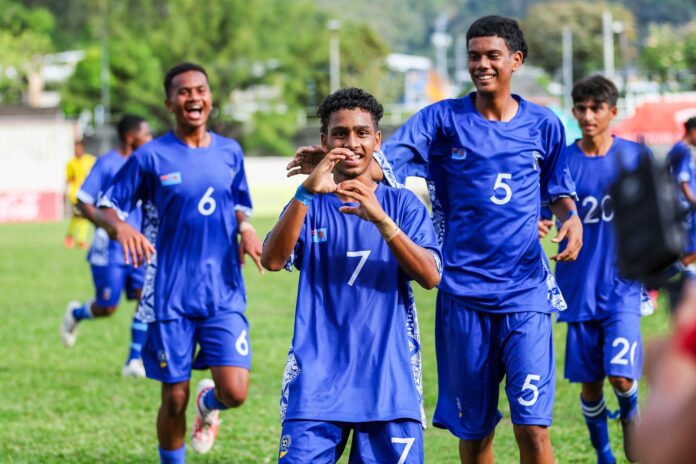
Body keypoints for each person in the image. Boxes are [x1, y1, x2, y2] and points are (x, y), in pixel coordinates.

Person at [289, 15, 582, 464]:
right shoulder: (441, 120)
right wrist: (336, 160)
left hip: (526, 292)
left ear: (516, 61)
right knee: (476, 430)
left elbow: (558, 188)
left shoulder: (545, 125)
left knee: (534, 427)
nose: (481, 64)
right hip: (461, 294)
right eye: (474, 56)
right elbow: (385, 164)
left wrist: (572, 217)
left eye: (492, 56)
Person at [94, 62, 263, 464]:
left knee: (235, 392)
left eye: (200, 90)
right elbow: (105, 206)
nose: (193, 97)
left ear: (210, 98)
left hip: (223, 287)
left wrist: (248, 228)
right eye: (184, 92)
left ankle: (210, 404)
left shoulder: (230, 151)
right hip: (169, 291)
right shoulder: (151, 156)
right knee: (173, 396)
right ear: (170, 103)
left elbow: (240, 202)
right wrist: (121, 229)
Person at [263, 88, 442, 463]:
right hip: (315, 387)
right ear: (325, 141)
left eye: (362, 133)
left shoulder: (401, 204)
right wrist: (305, 192)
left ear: (377, 140)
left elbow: (430, 276)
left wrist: (380, 219)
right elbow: (273, 259)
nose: (351, 142)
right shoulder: (308, 203)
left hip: (388, 388)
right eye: (340, 134)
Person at [542, 75, 646, 464]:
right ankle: (604, 454)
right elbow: (543, 209)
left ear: (612, 112)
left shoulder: (635, 157)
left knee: (621, 375)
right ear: (573, 111)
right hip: (577, 287)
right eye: (581, 108)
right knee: (590, 384)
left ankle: (631, 418)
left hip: (622, 287)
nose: (588, 115)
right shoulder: (563, 160)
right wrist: (540, 222)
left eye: (596, 108)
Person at [60, 114, 153, 378]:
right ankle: (77, 313)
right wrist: (110, 227)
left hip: (140, 246)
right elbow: (83, 201)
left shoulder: (148, 163)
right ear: (130, 137)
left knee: (143, 299)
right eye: (145, 134)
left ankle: (134, 361)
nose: (150, 140)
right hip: (110, 248)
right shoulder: (108, 163)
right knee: (107, 306)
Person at [667, 117, 696, 266]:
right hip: (685, 207)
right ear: (693, 132)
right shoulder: (683, 151)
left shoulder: (677, 149)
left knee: (687, 249)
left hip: (680, 206)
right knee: (691, 250)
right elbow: (683, 181)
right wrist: (694, 201)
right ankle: (665, 276)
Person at [64, 140, 96, 249]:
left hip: (87, 193)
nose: (77, 151)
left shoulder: (90, 160)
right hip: (75, 194)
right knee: (78, 217)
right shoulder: (71, 163)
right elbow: (69, 179)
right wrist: (66, 192)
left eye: (79, 148)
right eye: (75, 149)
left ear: (83, 148)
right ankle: (72, 237)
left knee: (84, 217)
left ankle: (78, 239)